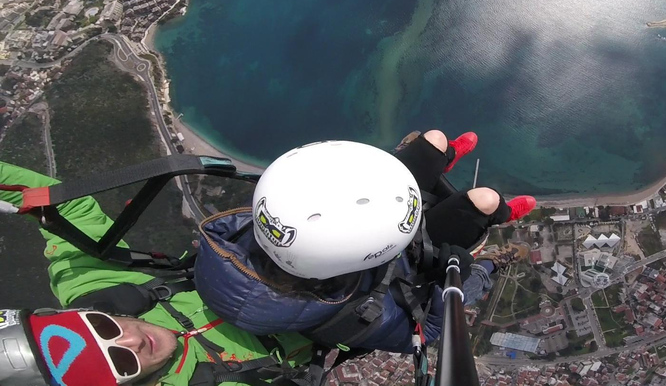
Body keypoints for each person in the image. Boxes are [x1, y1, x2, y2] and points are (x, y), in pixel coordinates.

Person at [194, 130, 536, 354]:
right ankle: (497, 230)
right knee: (485, 201)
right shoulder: (356, 315)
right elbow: (427, 332)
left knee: (433, 141)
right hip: (409, 265)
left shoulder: (231, 236)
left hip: (378, 237)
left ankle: (439, 159)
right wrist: (449, 282)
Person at [0, 161, 313, 386]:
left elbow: (62, 208)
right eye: (121, 363)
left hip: (276, 266)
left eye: (101, 326)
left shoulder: (94, 286)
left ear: (82, 313)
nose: (133, 339)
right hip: (331, 329)